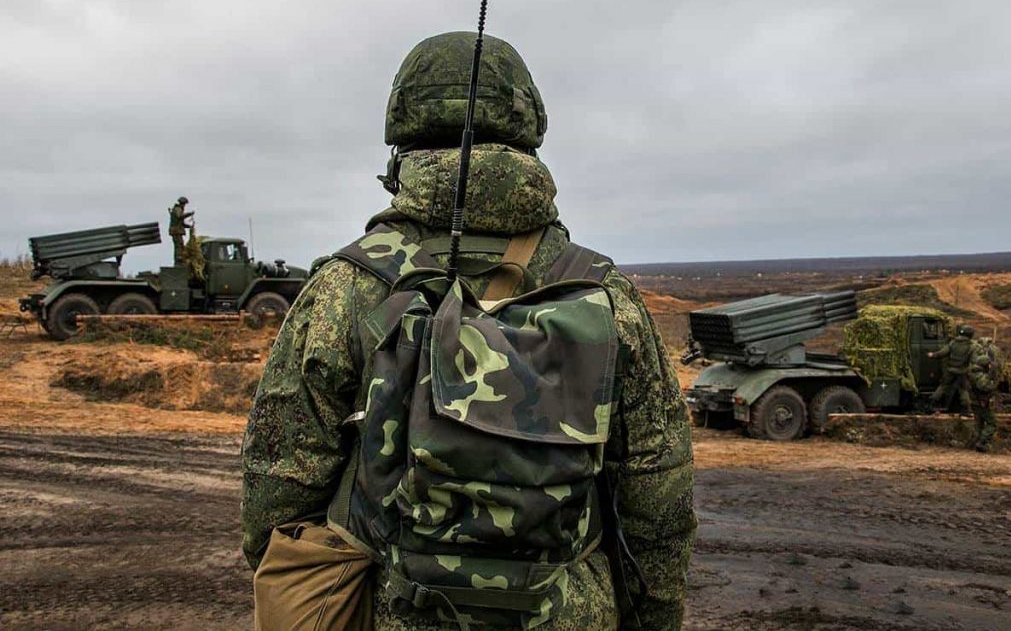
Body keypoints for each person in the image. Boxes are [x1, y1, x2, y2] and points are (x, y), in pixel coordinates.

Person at [241, 32, 697, 629]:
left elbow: (278, 481)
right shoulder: (606, 296)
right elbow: (658, 500)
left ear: (401, 137)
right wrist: (651, 619)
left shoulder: (345, 288)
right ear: (528, 131)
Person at [928, 324, 976, 413]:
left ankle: (932, 402)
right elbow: (974, 360)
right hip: (962, 371)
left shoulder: (953, 342)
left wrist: (933, 355)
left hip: (950, 370)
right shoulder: (971, 346)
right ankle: (967, 408)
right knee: (963, 389)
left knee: (943, 386)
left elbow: (944, 352)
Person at [168, 196, 194, 265]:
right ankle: (178, 259)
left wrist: (189, 226)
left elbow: (181, 223)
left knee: (181, 245)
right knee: (178, 245)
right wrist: (189, 214)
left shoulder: (179, 209)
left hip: (177, 231)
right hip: (176, 231)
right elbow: (180, 216)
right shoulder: (178, 209)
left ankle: (180, 259)